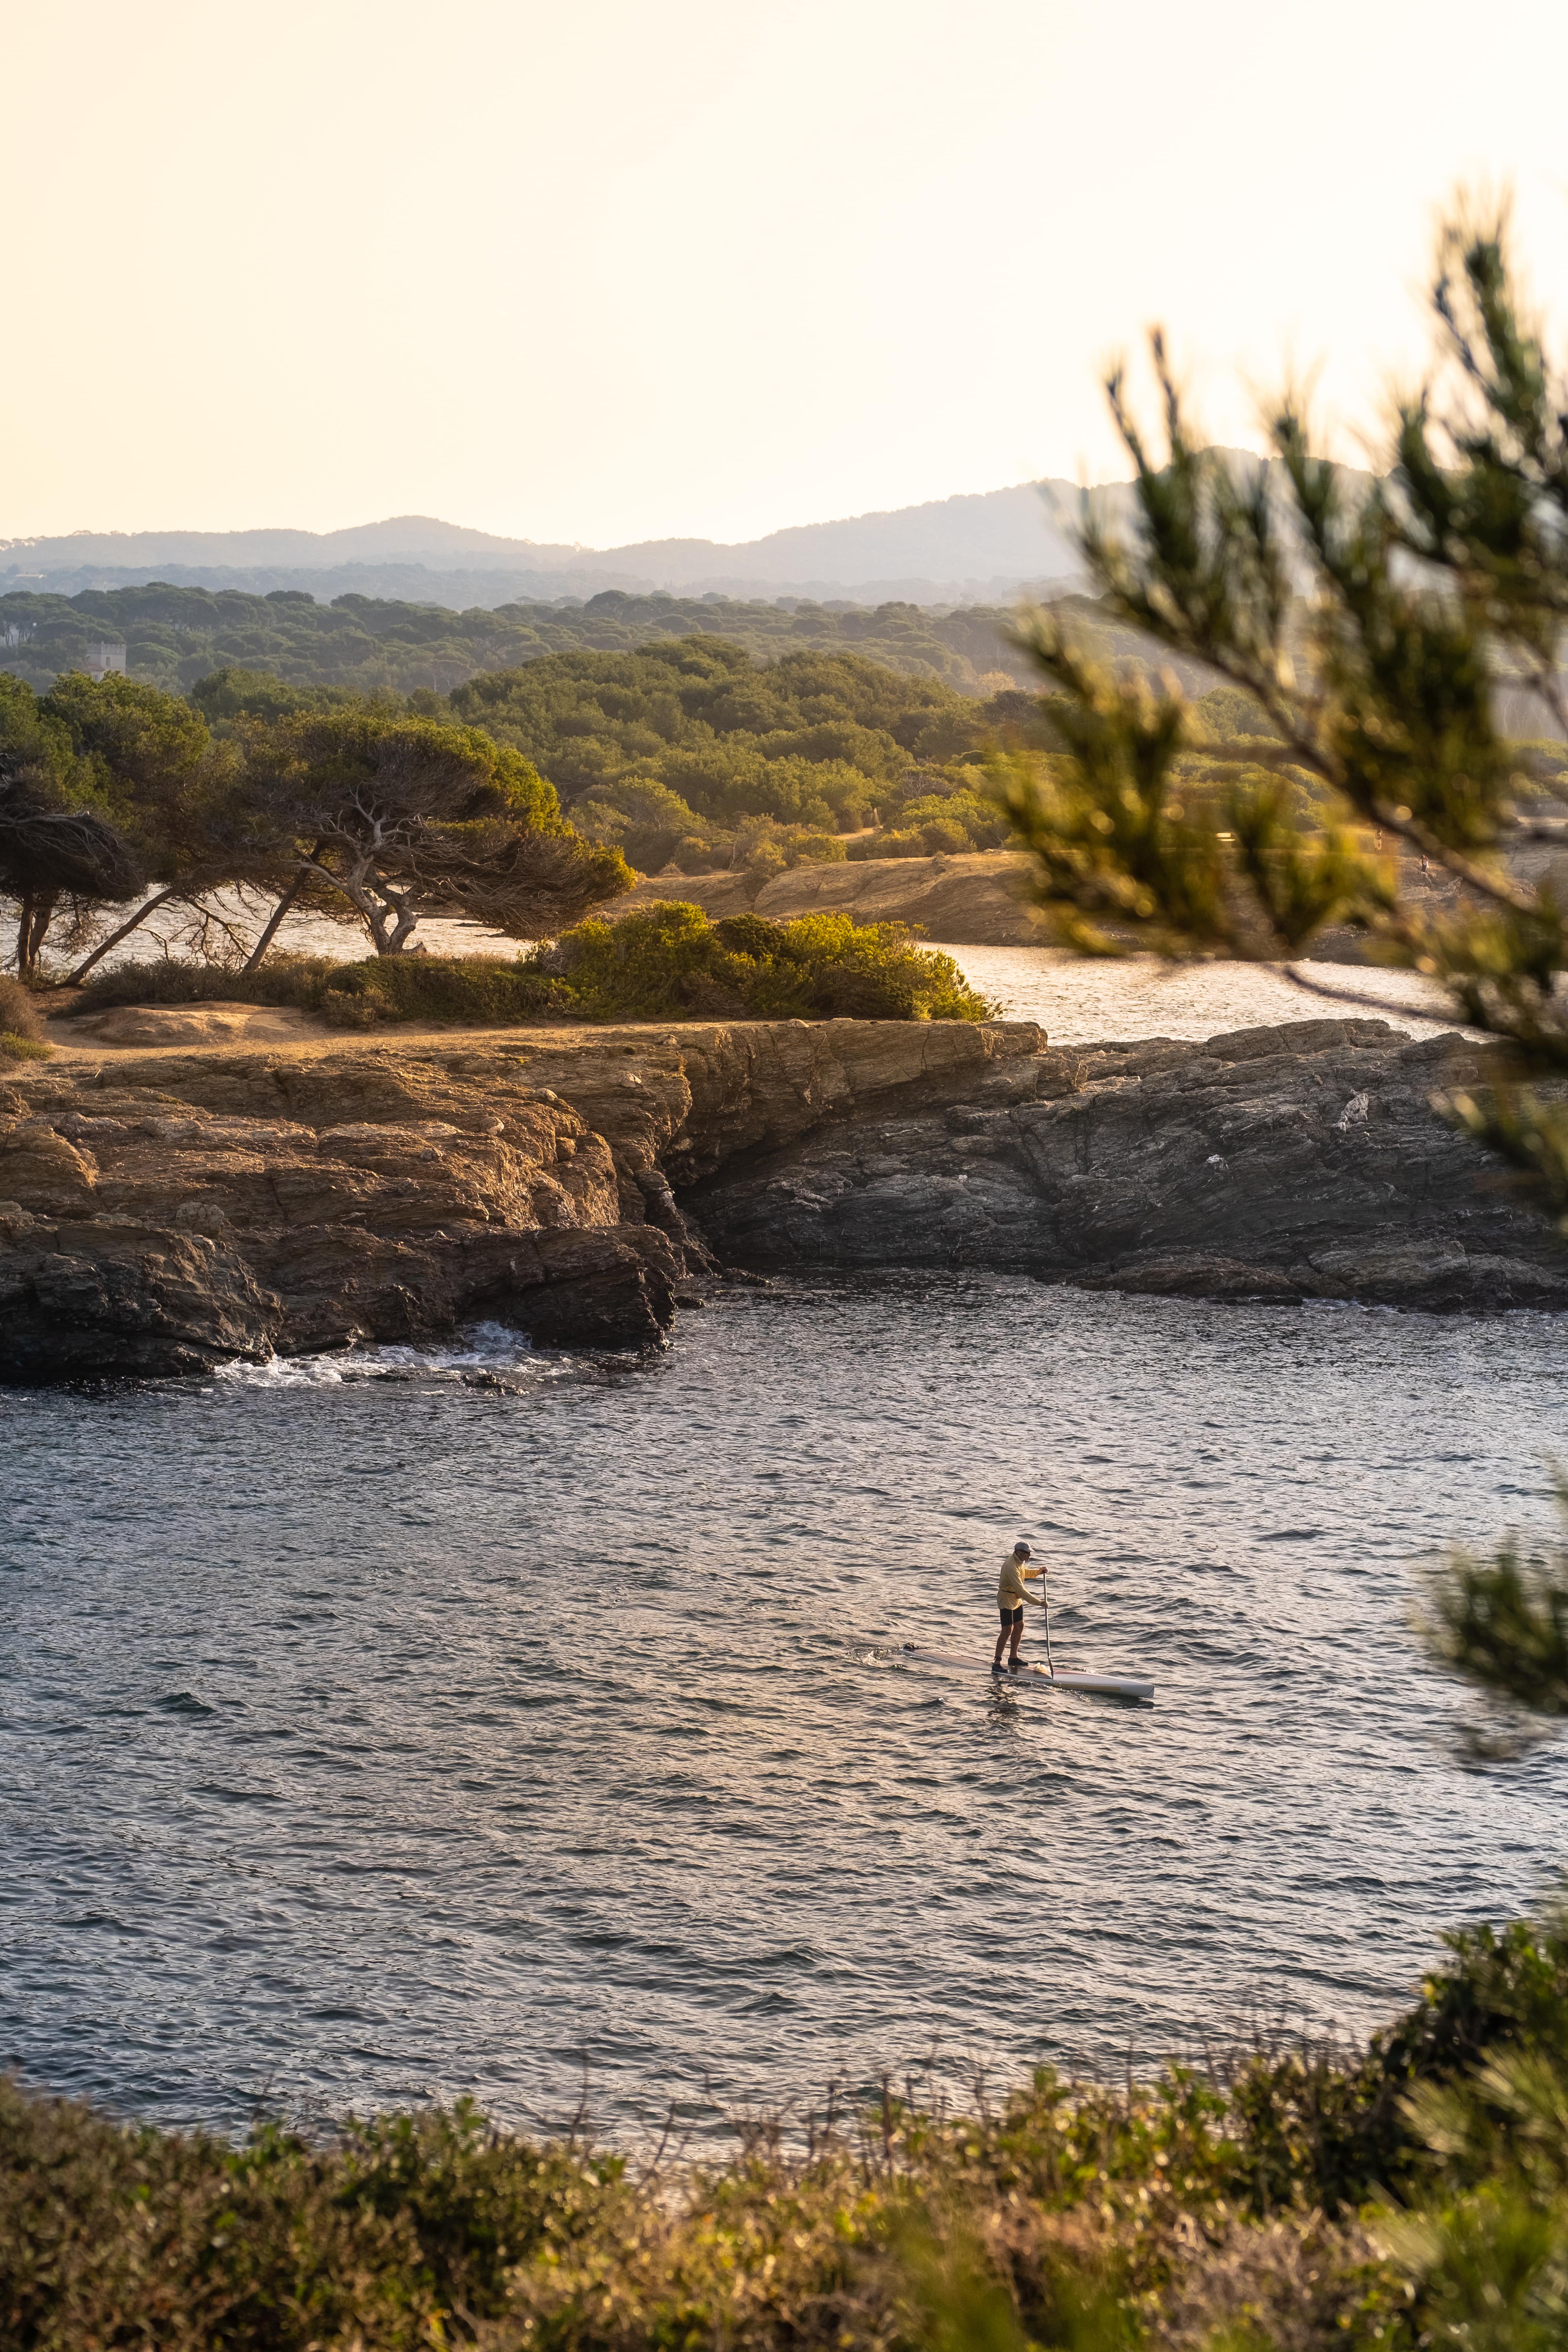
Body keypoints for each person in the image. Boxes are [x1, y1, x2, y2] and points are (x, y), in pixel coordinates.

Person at [993, 1540, 1045, 1673]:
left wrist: (1038, 1572)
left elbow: (1023, 1573)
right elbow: (1021, 1589)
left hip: (1016, 1599)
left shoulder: (1019, 1562)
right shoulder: (1011, 1566)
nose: (1029, 1556)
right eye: (1028, 1554)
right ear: (1019, 1553)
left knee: (1020, 1626)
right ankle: (997, 1663)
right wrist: (1039, 1602)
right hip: (1006, 1599)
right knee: (1007, 1630)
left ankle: (1013, 1658)